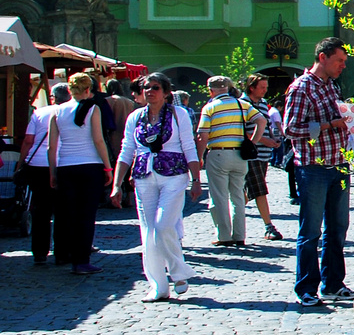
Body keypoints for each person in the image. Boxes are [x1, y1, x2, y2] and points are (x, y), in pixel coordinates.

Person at [114, 72, 202, 302]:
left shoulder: (178, 114)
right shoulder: (135, 117)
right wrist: (117, 184)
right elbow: (126, 150)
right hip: (144, 176)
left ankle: (178, 271)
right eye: (146, 88)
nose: (149, 92)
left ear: (165, 93)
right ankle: (158, 285)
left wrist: (196, 178)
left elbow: (189, 146)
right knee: (149, 232)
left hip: (173, 174)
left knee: (163, 225)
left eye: (155, 88)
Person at [283, 37, 352, 307]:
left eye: (344, 62)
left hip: (338, 164)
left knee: (337, 229)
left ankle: (333, 283)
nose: (342, 66)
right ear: (322, 58)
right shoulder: (301, 88)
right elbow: (290, 130)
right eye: (339, 61)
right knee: (311, 231)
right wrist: (329, 124)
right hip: (313, 167)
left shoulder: (330, 86)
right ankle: (306, 288)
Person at [48, 72, 115, 275]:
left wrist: (53, 171)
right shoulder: (92, 109)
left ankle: (64, 253)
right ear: (88, 90)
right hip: (89, 166)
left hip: (66, 166)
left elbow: (52, 147)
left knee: (68, 213)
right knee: (86, 215)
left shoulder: (57, 112)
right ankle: (81, 260)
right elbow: (98, 140)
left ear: (69, 90)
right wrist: (107, 166)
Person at [196, 75, 267, 247]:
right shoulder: (241, 104)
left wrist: (198, 157)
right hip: (239, 156)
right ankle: (239, 235)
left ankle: (223, 235)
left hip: (218, 154)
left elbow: (202, 135)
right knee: (237, 196)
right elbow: (261, 120)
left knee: (219, 196)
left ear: (211, 90)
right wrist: (252, 142)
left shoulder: (210, 107)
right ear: (227, 88)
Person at [23, 84, 70, 265]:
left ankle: (40, 253)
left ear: (53, 97)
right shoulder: (72, 112)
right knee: (63, 210)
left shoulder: (39, 113)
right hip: (63, 163)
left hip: (38, 164)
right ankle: (62, 252)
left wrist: (22, 162)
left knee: (40, 211)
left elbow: (28, 140)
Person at [242, 74, 284, 240]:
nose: (265, 91)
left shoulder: (263, 105)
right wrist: (263, 140)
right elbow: (242, 129)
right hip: (252, 154)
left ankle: (231, 217)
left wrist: (273, 139)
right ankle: (269, 226)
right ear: (251, 87)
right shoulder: (244, 104)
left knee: (249, 190)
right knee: (260, 190)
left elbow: (266, 125)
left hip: (264, 154)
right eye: (262, 87)